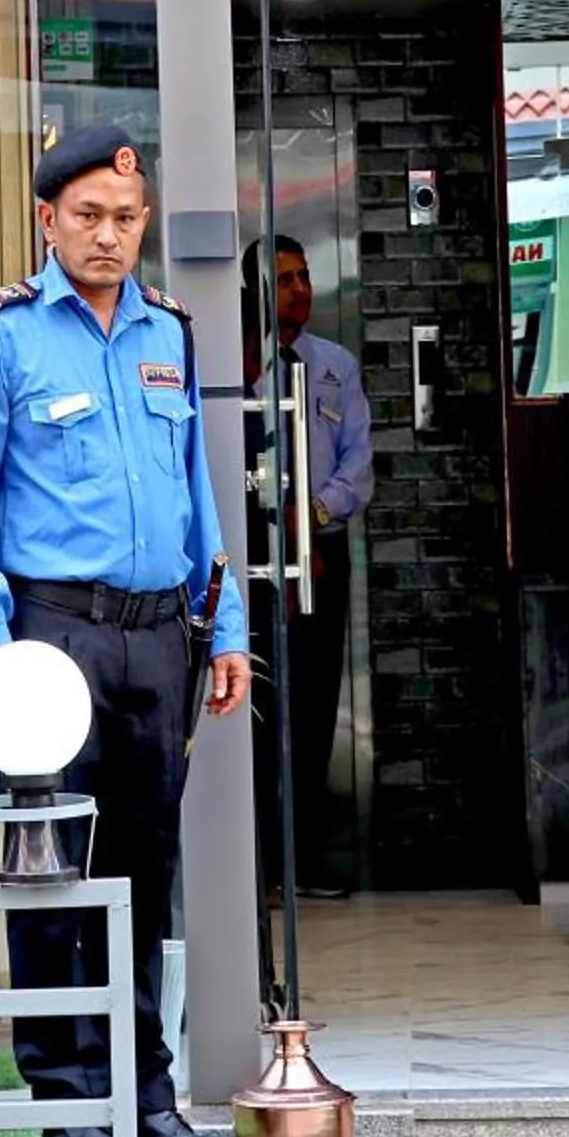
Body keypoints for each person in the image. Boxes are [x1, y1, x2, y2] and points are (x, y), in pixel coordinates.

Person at [0, 123, 249, 1137]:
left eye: (125, 218)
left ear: (144, 221)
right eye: (87, 217)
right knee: (51, 875)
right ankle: (68, 1103)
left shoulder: (170, 332)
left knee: (143, 874)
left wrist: (224, 626)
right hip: (49, 640)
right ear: (47, 221)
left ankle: (146, 1096)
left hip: (157, 636)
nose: (107, 236)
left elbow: (198, 493)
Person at [241, 235, 372, 898]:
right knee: (261, 710)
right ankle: (260, 865)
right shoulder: (239, 367)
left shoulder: (334, 366)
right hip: (255, 555)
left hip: (319, 551)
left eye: (303, 276)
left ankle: (306, 859)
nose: (299, 290)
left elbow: (358, 465)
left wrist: (313, 515)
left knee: (316, 707)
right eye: (284, 279)